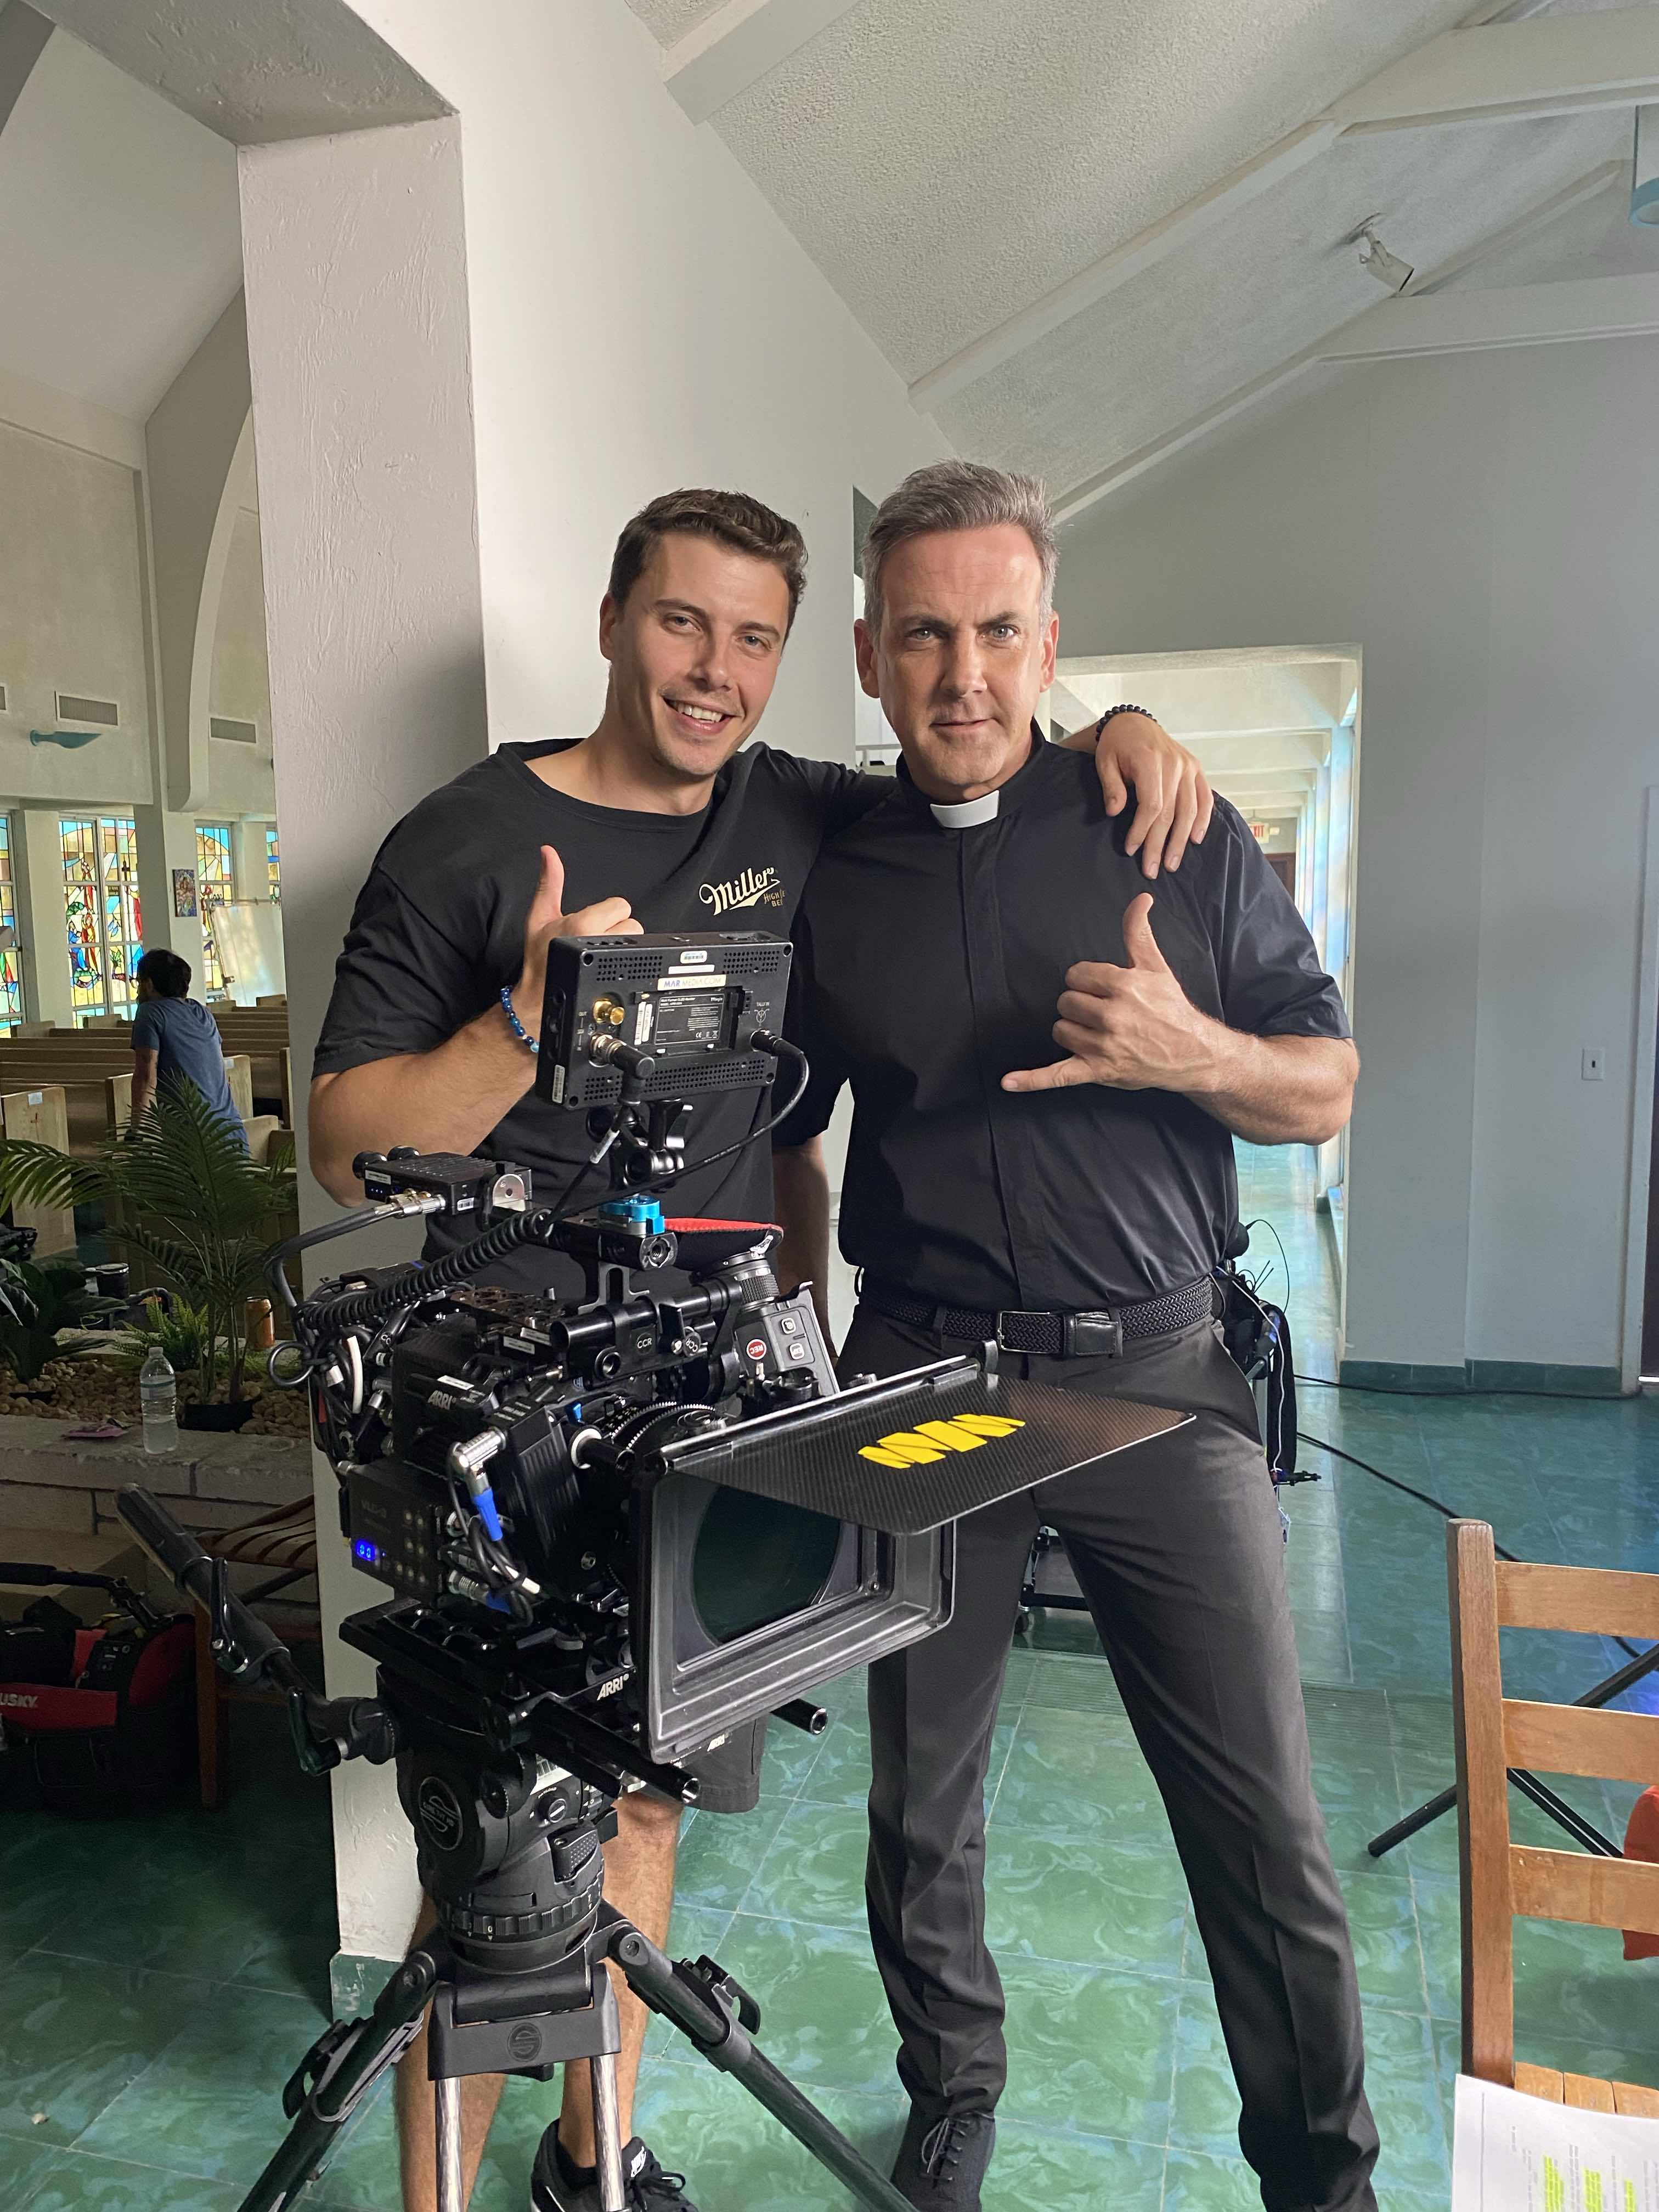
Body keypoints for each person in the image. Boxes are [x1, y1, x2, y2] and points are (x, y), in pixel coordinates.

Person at [307, 484, 1211, 2212]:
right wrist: (524, 1019)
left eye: (752, 640)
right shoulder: (465, 838)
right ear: (611, 622)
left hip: (699, 1403)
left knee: (646, 1796)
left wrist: (1124, 730)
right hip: (504, 1414)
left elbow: (979, 754)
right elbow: (349, 1144)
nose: (712, 671)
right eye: (680, 623)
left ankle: (598, 2158)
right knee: (495, 1851)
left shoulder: (791, 810)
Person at [770, 460, 1374, 2212]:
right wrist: (797, 1353)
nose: (964, 675)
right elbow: (791, 1124)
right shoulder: (829, 868)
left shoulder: (1166, 828)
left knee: (1262, 1829)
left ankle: (1323, 2179)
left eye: (1000, 633)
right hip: (925, 1376)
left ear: (1051, 645)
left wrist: (1199, 1057)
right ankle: (952, 2094)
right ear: (871, 656)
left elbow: (1325, 1083)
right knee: (918, 1808)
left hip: (1160, 1378)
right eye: (925, 636)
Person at [129, 947, 246, 1143]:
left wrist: (135, 1133)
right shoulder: (203, 1012)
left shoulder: (150, 1013)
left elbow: (145, 1077)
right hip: (231, 1131)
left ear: (149, 985)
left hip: (193, 1138)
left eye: (138, 982)